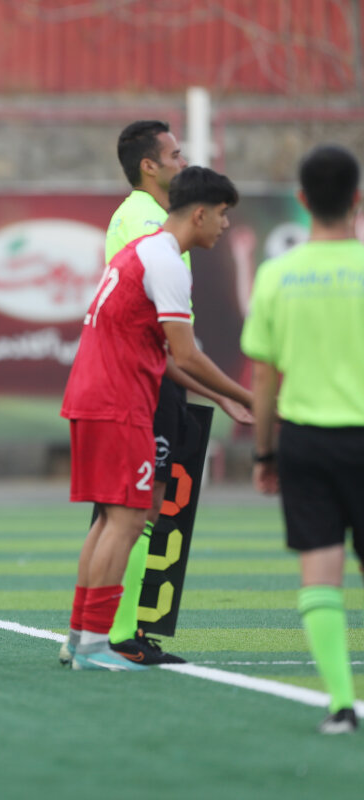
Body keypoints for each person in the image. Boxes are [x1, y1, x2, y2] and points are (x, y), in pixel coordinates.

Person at [60, 166, 252, 670]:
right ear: (200, 214)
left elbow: (162, 356)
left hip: (95, 394)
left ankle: (81, 639)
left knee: (110, 518)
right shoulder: (167, 262)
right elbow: (185, 354)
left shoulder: (142, 253)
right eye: (223, 215)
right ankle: (95, 646)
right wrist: (246, 396)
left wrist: (223, 398)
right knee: (128, 518)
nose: (226, 226)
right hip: (118, 401)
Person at [241, 144, 364, 734]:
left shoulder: (276, 275)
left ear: (303, 200)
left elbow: (265, 378)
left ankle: (341, 704)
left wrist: (265, 452)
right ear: (358, 199)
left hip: (306, 443)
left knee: (320, 572)